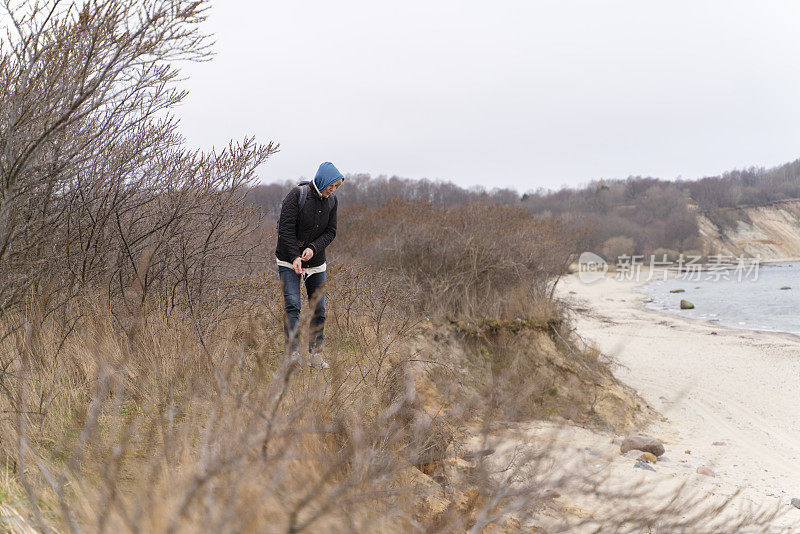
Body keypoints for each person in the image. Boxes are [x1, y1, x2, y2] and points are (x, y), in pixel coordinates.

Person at [275, 162, 344, 369]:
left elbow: (331, 232)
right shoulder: (297, 195)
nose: (332, 190)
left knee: (318, 309)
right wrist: (295, 256)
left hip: (315, 263)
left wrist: (313, 248)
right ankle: (293, 355)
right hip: (288, 260)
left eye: (336, 187)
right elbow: (285, 229)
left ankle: (315, 355)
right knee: (293, 306)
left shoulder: (332, 201)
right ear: (322, 180)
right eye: (331, 185)